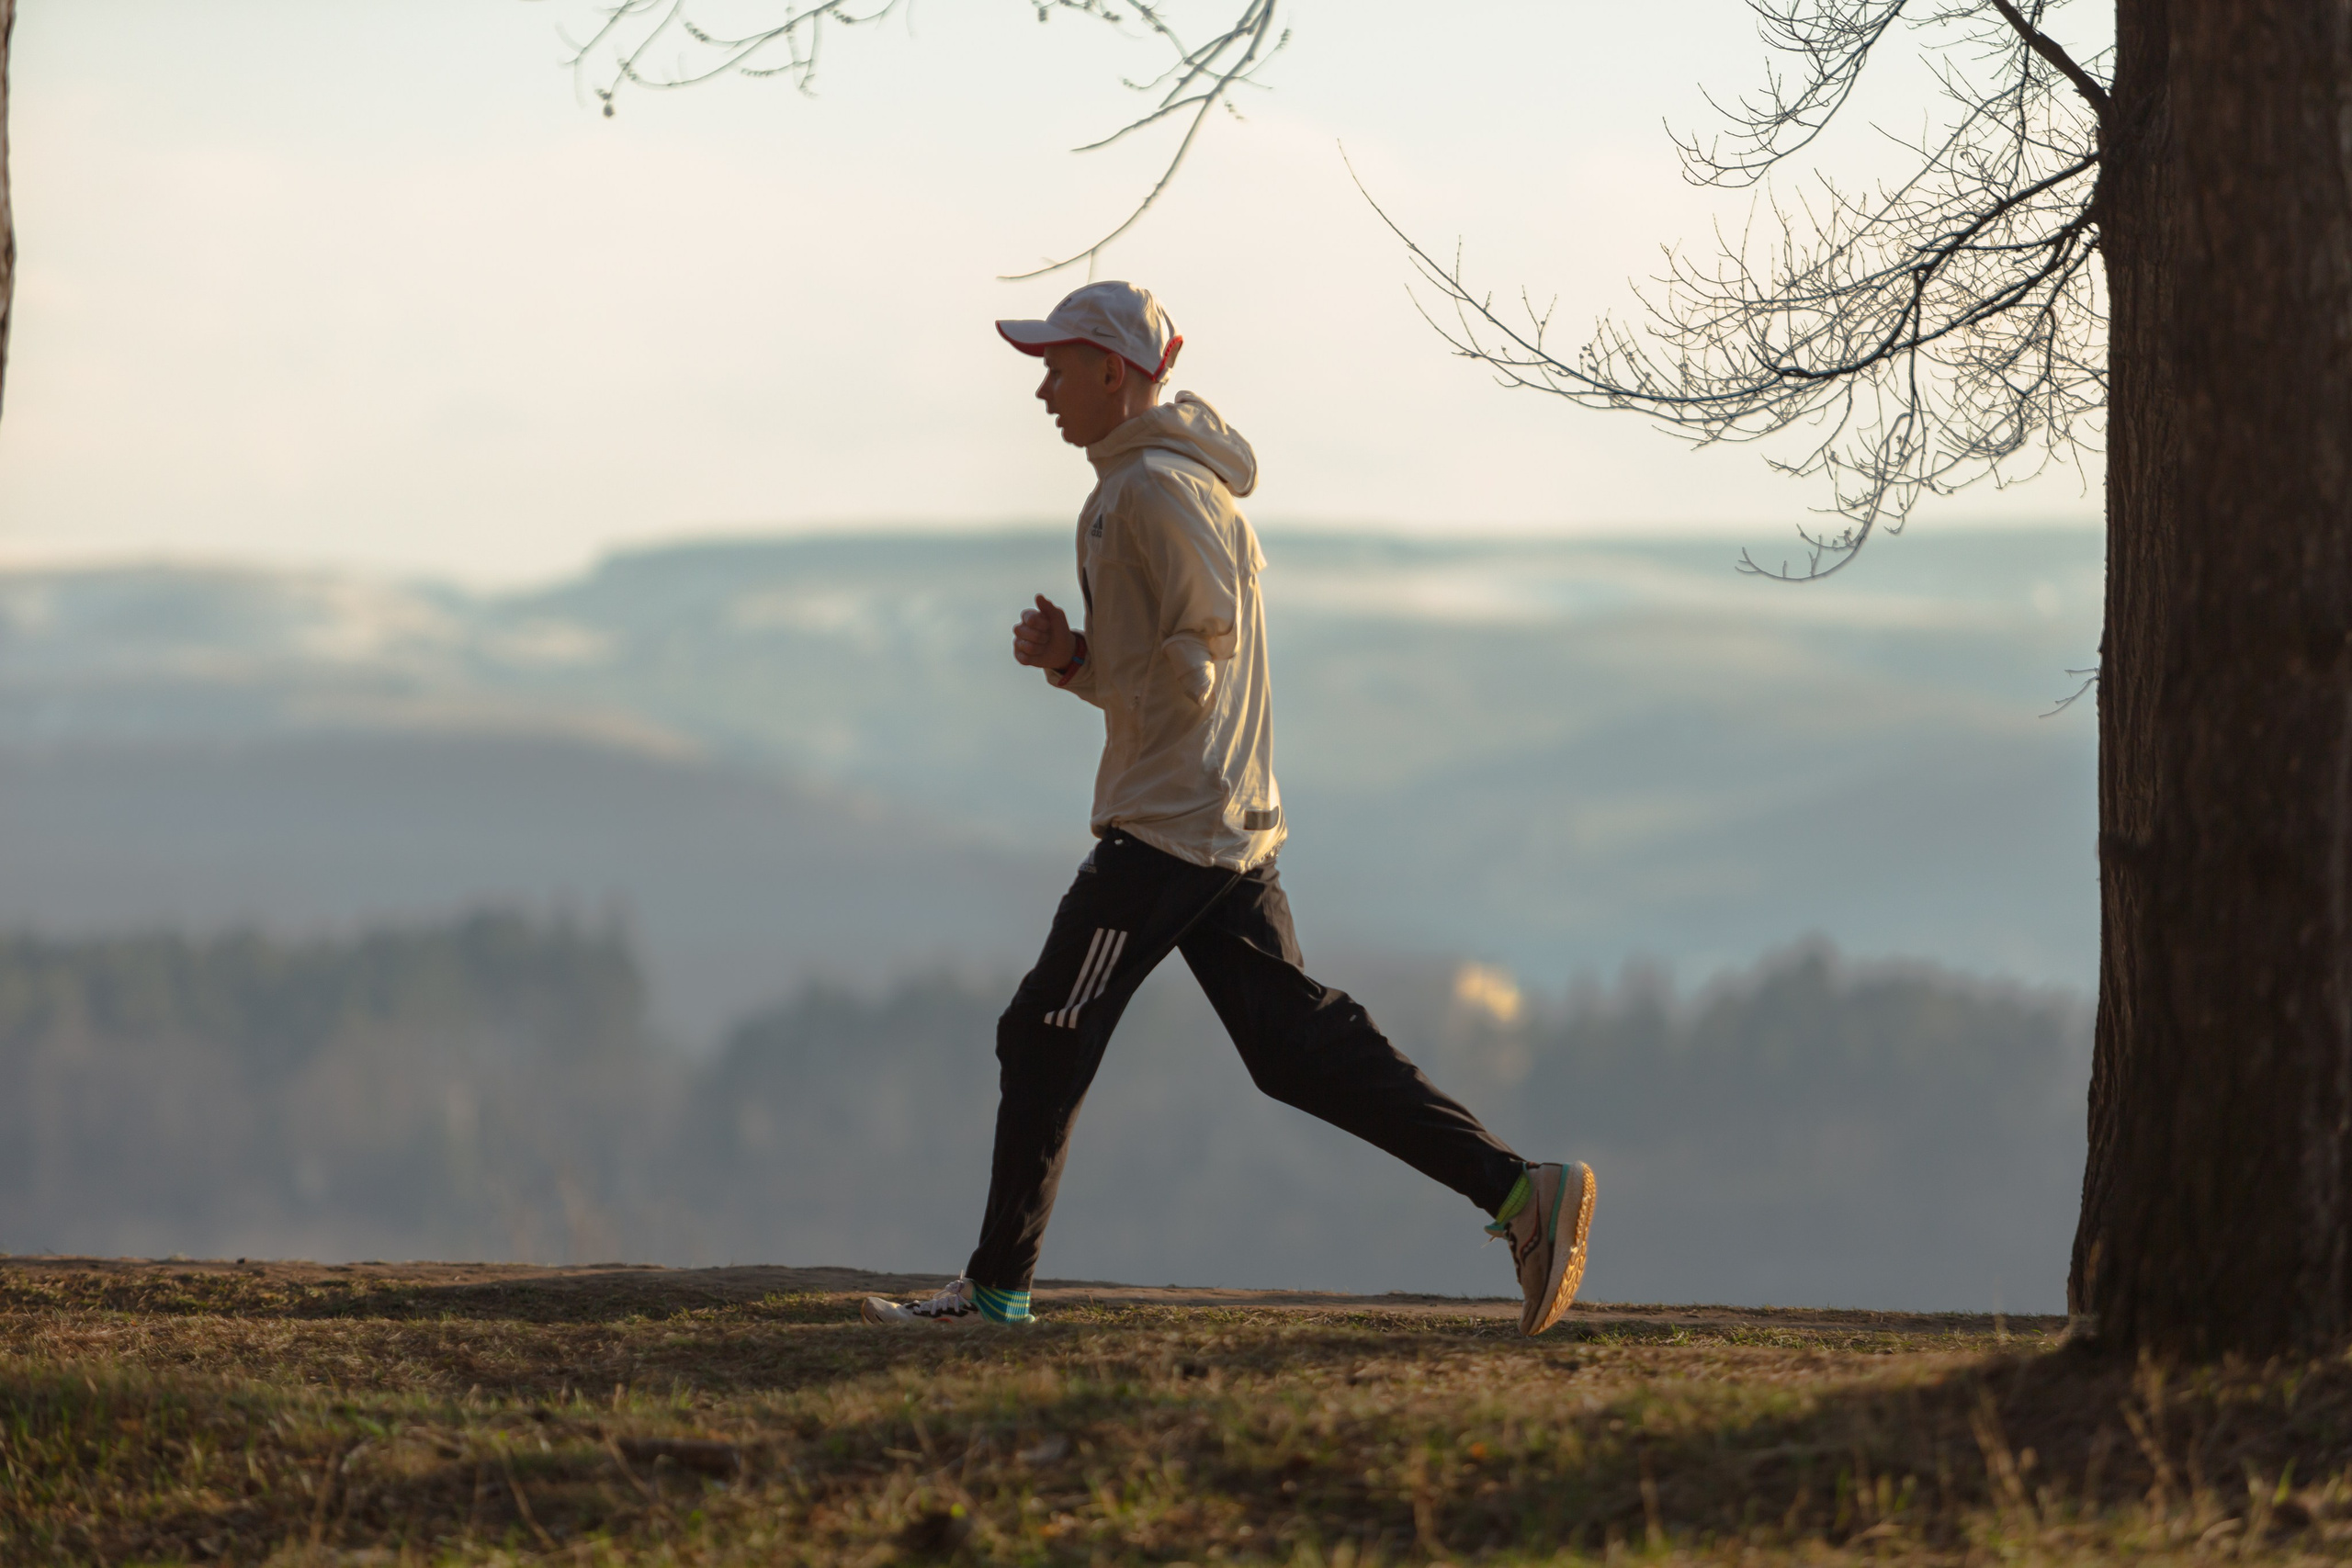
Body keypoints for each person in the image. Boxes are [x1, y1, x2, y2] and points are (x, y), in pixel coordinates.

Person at [861, 282, 1595, 1337]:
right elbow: (1165, 662)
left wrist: (1155, 683)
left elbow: (1204, 645)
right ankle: (1520, 1193)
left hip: (1174, 823)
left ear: (1112, 370)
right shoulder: (1147, 484)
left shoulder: (1156, 490)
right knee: (1290, 1048)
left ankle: (995, 1293)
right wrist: (1074, 659)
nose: (1041, 390)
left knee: (1044, 1028)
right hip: (1215, 815)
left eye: (1056, 367)